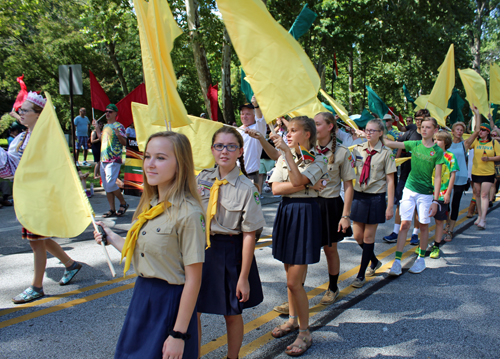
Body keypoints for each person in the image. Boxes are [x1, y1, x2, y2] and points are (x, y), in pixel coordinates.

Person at [94, 131, 205, 359]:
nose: (150, 164)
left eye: (161, 158)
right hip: (142, 298)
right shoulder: (149, 204)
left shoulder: (188, 213)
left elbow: (194, 279)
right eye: (147, 156)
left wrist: (178, 334)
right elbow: (143, 252)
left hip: (170, 303)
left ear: (180, 164)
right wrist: (111, 237)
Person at [0, 92, 82, 303]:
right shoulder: (24, 135)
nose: (20, 113)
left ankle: (37, 287)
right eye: (20, 111)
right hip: (27, 194)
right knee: (39, 238)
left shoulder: (43, 139)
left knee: (36, 241)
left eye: (24, 110)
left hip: (39, 196)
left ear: (38, 115)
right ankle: (70, 264)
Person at [196, 127, 265, 359]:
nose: (224, 151)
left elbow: (249, 235)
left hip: (229, 252)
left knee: (232, 312)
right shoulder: (201, 178)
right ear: (213, 149)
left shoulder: (247, 188)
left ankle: (232, 357)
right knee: (191, 309)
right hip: (198, 250)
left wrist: (243, 278)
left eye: (231, 146)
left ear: (240, 151)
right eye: (219, 146)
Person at [268, 116, 327, 356]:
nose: (288, 134)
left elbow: (293, 180)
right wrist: (308, 184)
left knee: (295, 282)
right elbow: (275, 188)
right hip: (287, 211)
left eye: (294, 130)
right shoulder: (284, 156)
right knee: (287, 273)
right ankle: (292, 320)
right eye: (287, 130)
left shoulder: (320, 159)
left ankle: (305, 332)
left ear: (308, 134)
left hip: (306, 214)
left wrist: (299, 180)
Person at [384, 117, 445, 275]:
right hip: (409, 190)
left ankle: (421, 259)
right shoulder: (414, 144)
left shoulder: (438, 151)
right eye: (423, 127)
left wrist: (435, 201)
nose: (424, 129)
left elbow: (437, 177)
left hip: (425, 194)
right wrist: (373, 133)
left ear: (435, 130)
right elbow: (391, 143)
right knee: (404, 224)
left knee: (423, 225)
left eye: (428, 127)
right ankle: (397, 261)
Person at [314, 112, 355, 302]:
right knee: (304, 250)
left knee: (330, 249)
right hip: (308, 204)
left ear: (330, 126)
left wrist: (345, 215)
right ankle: (295, 295)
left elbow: (348, 186)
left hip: (330, 205)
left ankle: (332, 287)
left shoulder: (342, 152)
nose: (314, 127)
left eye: (317, 124)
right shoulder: (306, 149)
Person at [350, 119, 396, 287]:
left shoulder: (386, 153)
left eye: (372, 130)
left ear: (380, 133)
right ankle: (375, 260)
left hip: (376, 197)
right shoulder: (357, 149)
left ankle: (361, 274)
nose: (368, 133)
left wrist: (390, 205)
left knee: (368, 236)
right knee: (357, 236)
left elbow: (391, 181)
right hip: (359, 195)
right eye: (367, 130)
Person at [383, 110, 427, 246]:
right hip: (406, 173)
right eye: (417, 118)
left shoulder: (431, 138)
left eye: (421, 119)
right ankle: (396, 232)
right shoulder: (411, 131)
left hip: (421, 176)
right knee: (400, 202)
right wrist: (396, 162)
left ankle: (415, 234)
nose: (418, 121)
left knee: (417, 207)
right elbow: (398, 144)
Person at [93, 104, 129, 217]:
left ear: (115, 114)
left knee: (110, 184)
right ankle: (112, 209)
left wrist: (119, 136)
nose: (107, 113)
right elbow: (100, 138)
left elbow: (125, 143)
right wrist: (97, 128)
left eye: (110, 111)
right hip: (104, 159)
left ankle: (123, 203)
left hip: (113, 159)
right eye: (106, 111)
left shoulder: (119, 126)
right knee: (106, 186)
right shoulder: (105, 126)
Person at [469, 107, 500, 229]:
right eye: (480, 130)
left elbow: (499, 156)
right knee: (476, 193)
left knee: (484, 194)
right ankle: (480, 215)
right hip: (476, 172)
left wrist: (489, 159)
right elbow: (467, 145)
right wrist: (476, 114)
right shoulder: (475, 142)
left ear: (488, 132)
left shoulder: (493, 143)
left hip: (488, 173)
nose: (480, 132)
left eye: (483, 130)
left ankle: (484, 219)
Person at [429, 131, 459, 259]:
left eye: (439, 140)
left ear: (445, 142)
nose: (435, 142)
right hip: (428, 191)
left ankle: (436, 245)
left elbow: (453, 174)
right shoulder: (431, 153)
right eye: (434, 139)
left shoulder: (450, 156)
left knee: (439, 220)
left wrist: (448, 193)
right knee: (423, 220)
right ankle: (423, 245)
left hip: (442, 193)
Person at [446, 121, 476, 240]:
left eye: (461, 130)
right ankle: (447, 223)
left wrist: (477, 113)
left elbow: (477, 131)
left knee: (455, 203)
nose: (459, 131)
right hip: (447, 176)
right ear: (452, 132)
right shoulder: (446, 144)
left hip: (461, 176)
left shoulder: (465, 144)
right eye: (457, 129)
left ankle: (451, 230)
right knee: (445, 203)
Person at [237, 95, 267, 187]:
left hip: (251, 174)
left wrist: (256, 105)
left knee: (251, 201)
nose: (244, 116)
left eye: (248, 114)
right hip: (235, 174)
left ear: (254, 116)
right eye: (242, 114)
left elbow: (260, 120)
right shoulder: (236, 130)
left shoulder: (258, 129)